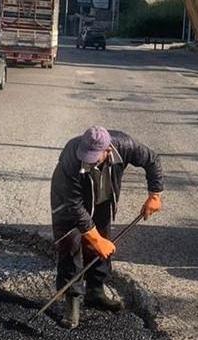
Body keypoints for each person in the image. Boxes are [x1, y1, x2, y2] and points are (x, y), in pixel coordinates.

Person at [50, 126, 164, 328]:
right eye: (86, 155)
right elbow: (75, 206)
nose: (88, 159)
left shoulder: (126, 145)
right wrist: (94, 239)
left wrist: (155, 195)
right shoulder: (71, 156)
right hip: (67, 198)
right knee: (71, 241)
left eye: (94, 156)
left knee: (102, 235)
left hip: (102, 195)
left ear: (108, 151)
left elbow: (152, 159)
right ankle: (72, 300)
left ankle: (95, 292)